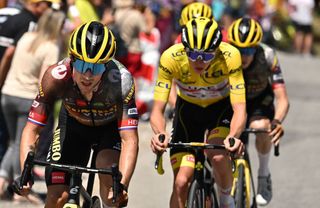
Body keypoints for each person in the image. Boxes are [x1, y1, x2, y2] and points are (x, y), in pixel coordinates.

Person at [16, 21, 139, 208]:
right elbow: (32, 129)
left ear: (106, 66)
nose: (87, 75)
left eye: (96, 67)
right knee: (57, 197)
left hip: (109, 129)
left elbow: (129, 139)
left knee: (111, 188)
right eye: (81, 65)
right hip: (73, 126)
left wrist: (121, 185)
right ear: (72, 59)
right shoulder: (55, 77)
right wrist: (26, 173)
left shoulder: (121, 81)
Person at [150, 17, 246, 208]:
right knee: (180, 182)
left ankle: (227, 200)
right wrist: (160, 133)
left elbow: (239, 108)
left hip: (220, 109)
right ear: (184, 48)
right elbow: (157, 110)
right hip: (188, 111)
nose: (199, 61)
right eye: (193, 54)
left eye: (207, 56)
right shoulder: (170, 58)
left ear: (217, 49)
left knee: (218, 155)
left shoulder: (230, 56)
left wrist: (233, 137)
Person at [0, 8, 65, 202]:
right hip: (27, 97)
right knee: (23, 144)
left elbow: (9, 56)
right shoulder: (51, 47)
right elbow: (47, 80)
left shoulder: (27, 37)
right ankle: (17, 187)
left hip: (8, 94)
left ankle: (7, 183)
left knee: (14, 143)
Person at [228, 17, 290, 206]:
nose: (244, 56)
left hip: (258, 101)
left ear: (257, 47)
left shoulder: (268, 55)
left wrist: (277, 121)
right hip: (231, 101)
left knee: (261, 127)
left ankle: (263, 174)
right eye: (239, 50)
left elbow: (282, 99)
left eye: (249, 50)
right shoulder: (224, 55)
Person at [0, 0, 56, 163]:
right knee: (17, 143)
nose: (49, 8)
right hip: (16, 88)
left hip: (8, 87)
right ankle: (11, 181)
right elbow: (10, 53)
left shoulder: (13, 18)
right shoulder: (30, 23)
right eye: (48, 4)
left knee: (9, 140)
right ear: (38, 4)